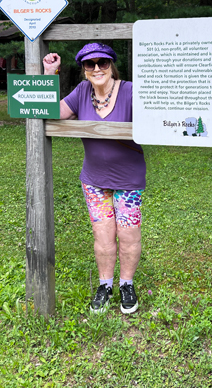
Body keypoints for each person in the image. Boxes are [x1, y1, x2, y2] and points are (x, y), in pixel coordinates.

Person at [43, 43, 146, 315]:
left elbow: (157, 121)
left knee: (128, 234)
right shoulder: (81, 92)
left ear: (112, 65)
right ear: (84, 70)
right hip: (94, 180)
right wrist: (50, 74)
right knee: (103, 235)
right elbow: (51, 111)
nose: (97, 68)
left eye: (103, 62)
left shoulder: (131, 91)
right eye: (90, 64)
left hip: (128, 179)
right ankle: (105, 285)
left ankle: (126, 284)